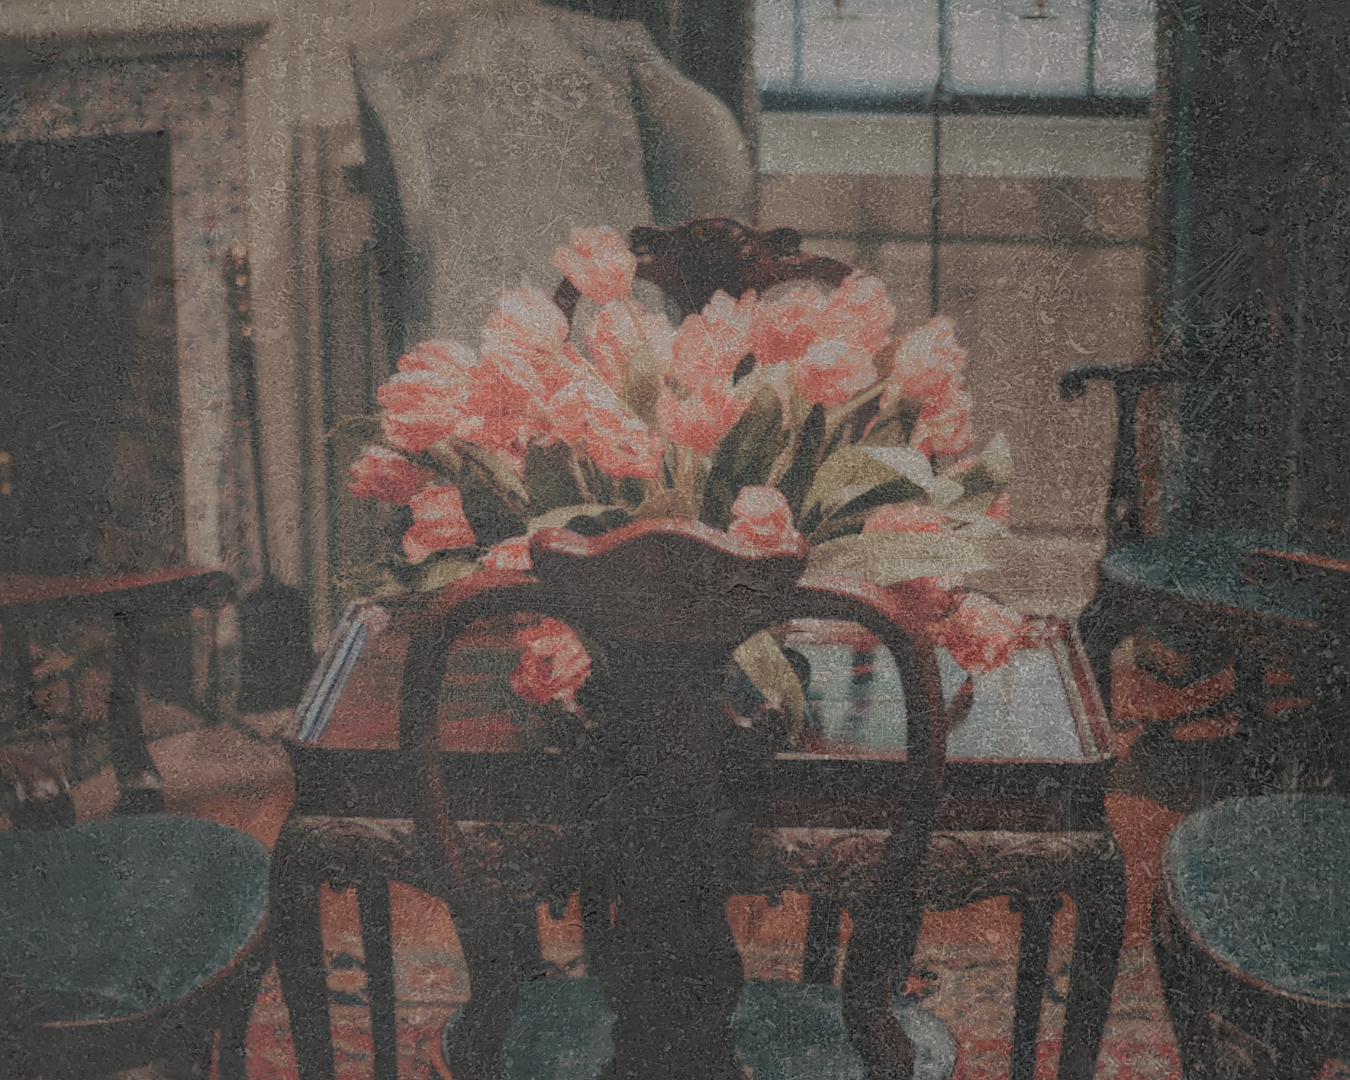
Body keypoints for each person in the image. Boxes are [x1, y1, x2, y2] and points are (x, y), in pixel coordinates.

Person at [351, 0, 755, 343]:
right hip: (470, 319)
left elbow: (715, 169)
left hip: (613, 322)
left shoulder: (620, 54)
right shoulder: (409, 68)